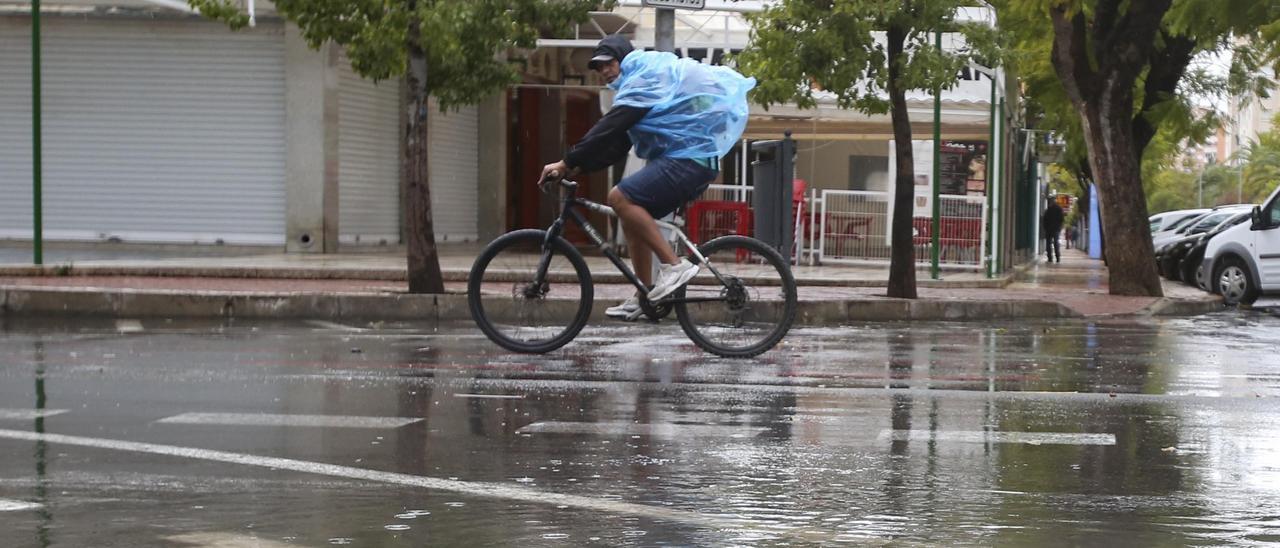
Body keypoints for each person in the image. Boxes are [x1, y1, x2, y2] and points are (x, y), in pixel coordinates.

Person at [540, 35, 755, 320]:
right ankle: (644, 294)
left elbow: (610, 126)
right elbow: (617, 144)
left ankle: (673, 266)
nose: (604, 72)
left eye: (608, 63)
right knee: (630, 216)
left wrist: (567, 160)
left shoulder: (642, 76)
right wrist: (576, 167)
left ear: (622, 57)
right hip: (689, 160)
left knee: (619, 197)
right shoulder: (639, 85)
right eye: (598, 68)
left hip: (688, 159)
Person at [1042, 198, 1064, 263]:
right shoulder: (1059, 209)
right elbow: (1061, 219)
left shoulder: (1048, 210)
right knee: (1056, 243)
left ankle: (1050, 258)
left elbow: (1044, 219)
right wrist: (1059, 227)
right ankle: (1057, 257)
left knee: (1048, 243)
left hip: (1049, 229)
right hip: (1056, 229)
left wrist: (1045, 227)